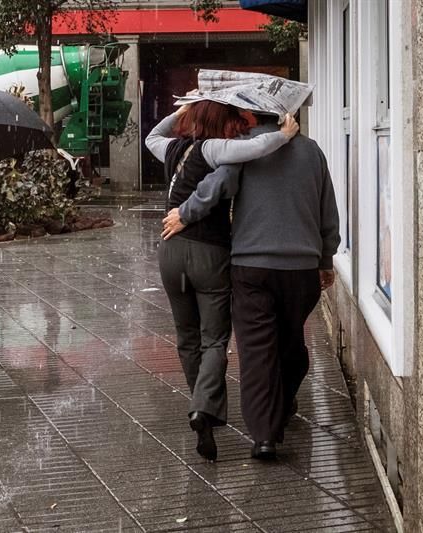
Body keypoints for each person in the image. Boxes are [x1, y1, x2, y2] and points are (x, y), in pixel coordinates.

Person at [166, 111, 340, 460]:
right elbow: (327, 211)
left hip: (251, 267)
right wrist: (326, 258)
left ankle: (264, 437)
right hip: (301, 268)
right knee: (290, 343)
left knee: (257, 353)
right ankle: (283, 400)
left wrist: (185, 212)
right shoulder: (312, 151)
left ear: (251, 116)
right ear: (284, 114)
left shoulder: (242, 150)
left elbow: (218, 186)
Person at [145, 101, 299, 461]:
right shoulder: (214, 149)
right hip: (208, 252)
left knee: (186, 338)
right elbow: (256, 147)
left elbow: (153, 133)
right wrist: (285, 134)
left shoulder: (171, 147)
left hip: (169, 251)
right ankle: (202, 407)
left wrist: (183, 110)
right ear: (220, 121)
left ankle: (202, 407)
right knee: (214, 338)